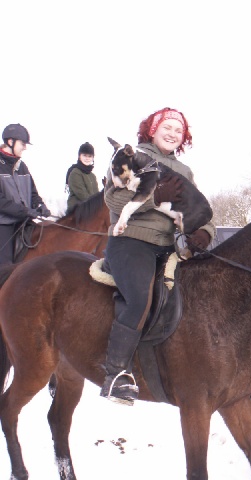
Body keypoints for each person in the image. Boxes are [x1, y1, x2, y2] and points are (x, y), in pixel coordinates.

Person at [101, 107, 216, 405]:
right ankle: (116, 374)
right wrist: (155, 196)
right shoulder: (130, 157)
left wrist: (205, 233)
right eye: (167, 127)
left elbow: (199, 206)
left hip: (169, 247)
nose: (172, 133)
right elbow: (113, 199)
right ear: (152, 130)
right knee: (140, 298)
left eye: (179, 130)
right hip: (131, 241)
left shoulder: (184, 172)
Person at [0, 123, 51, 266]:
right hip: (3, 224)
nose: (25, 147)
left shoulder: (22, 166)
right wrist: (24, 211)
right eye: (22, 143)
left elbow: (33, 193)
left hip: (23, 221)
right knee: (4, 265)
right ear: (11, 142)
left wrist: (40, 205)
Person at [66, 142, 99, 211]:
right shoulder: (75, 173)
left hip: (91, 209)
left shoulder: (92, 176)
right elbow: (82, 195)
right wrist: (96, 206)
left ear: (93, 158)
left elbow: (96, 195)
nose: (87, 158)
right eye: (84, 155)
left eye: (89, 156)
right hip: (77, 210)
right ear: (79, 156)